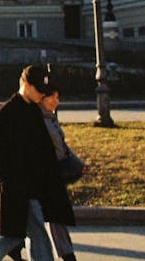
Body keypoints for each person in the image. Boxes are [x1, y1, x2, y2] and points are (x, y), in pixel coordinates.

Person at [0, 65, 74, 261]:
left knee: (17, 237)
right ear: (26, 85)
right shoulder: (6, 114)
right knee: (17, 237)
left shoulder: (32, 111)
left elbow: (44, 151)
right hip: (16, 189)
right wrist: (9, 183)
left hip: (31, 189)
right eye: (39, 90)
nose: (42, 95)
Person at [36, 84, 83, 261]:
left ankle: (65, 253)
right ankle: (67, 255)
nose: (57, 101)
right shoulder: (39, 120)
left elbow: (62, 146)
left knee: (52, 216)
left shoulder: (51, 118)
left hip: (56, 173)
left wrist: (77, 163)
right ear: (43, 98)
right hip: (48, 175)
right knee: (54, 215)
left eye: (58, 97)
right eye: (53, 97)